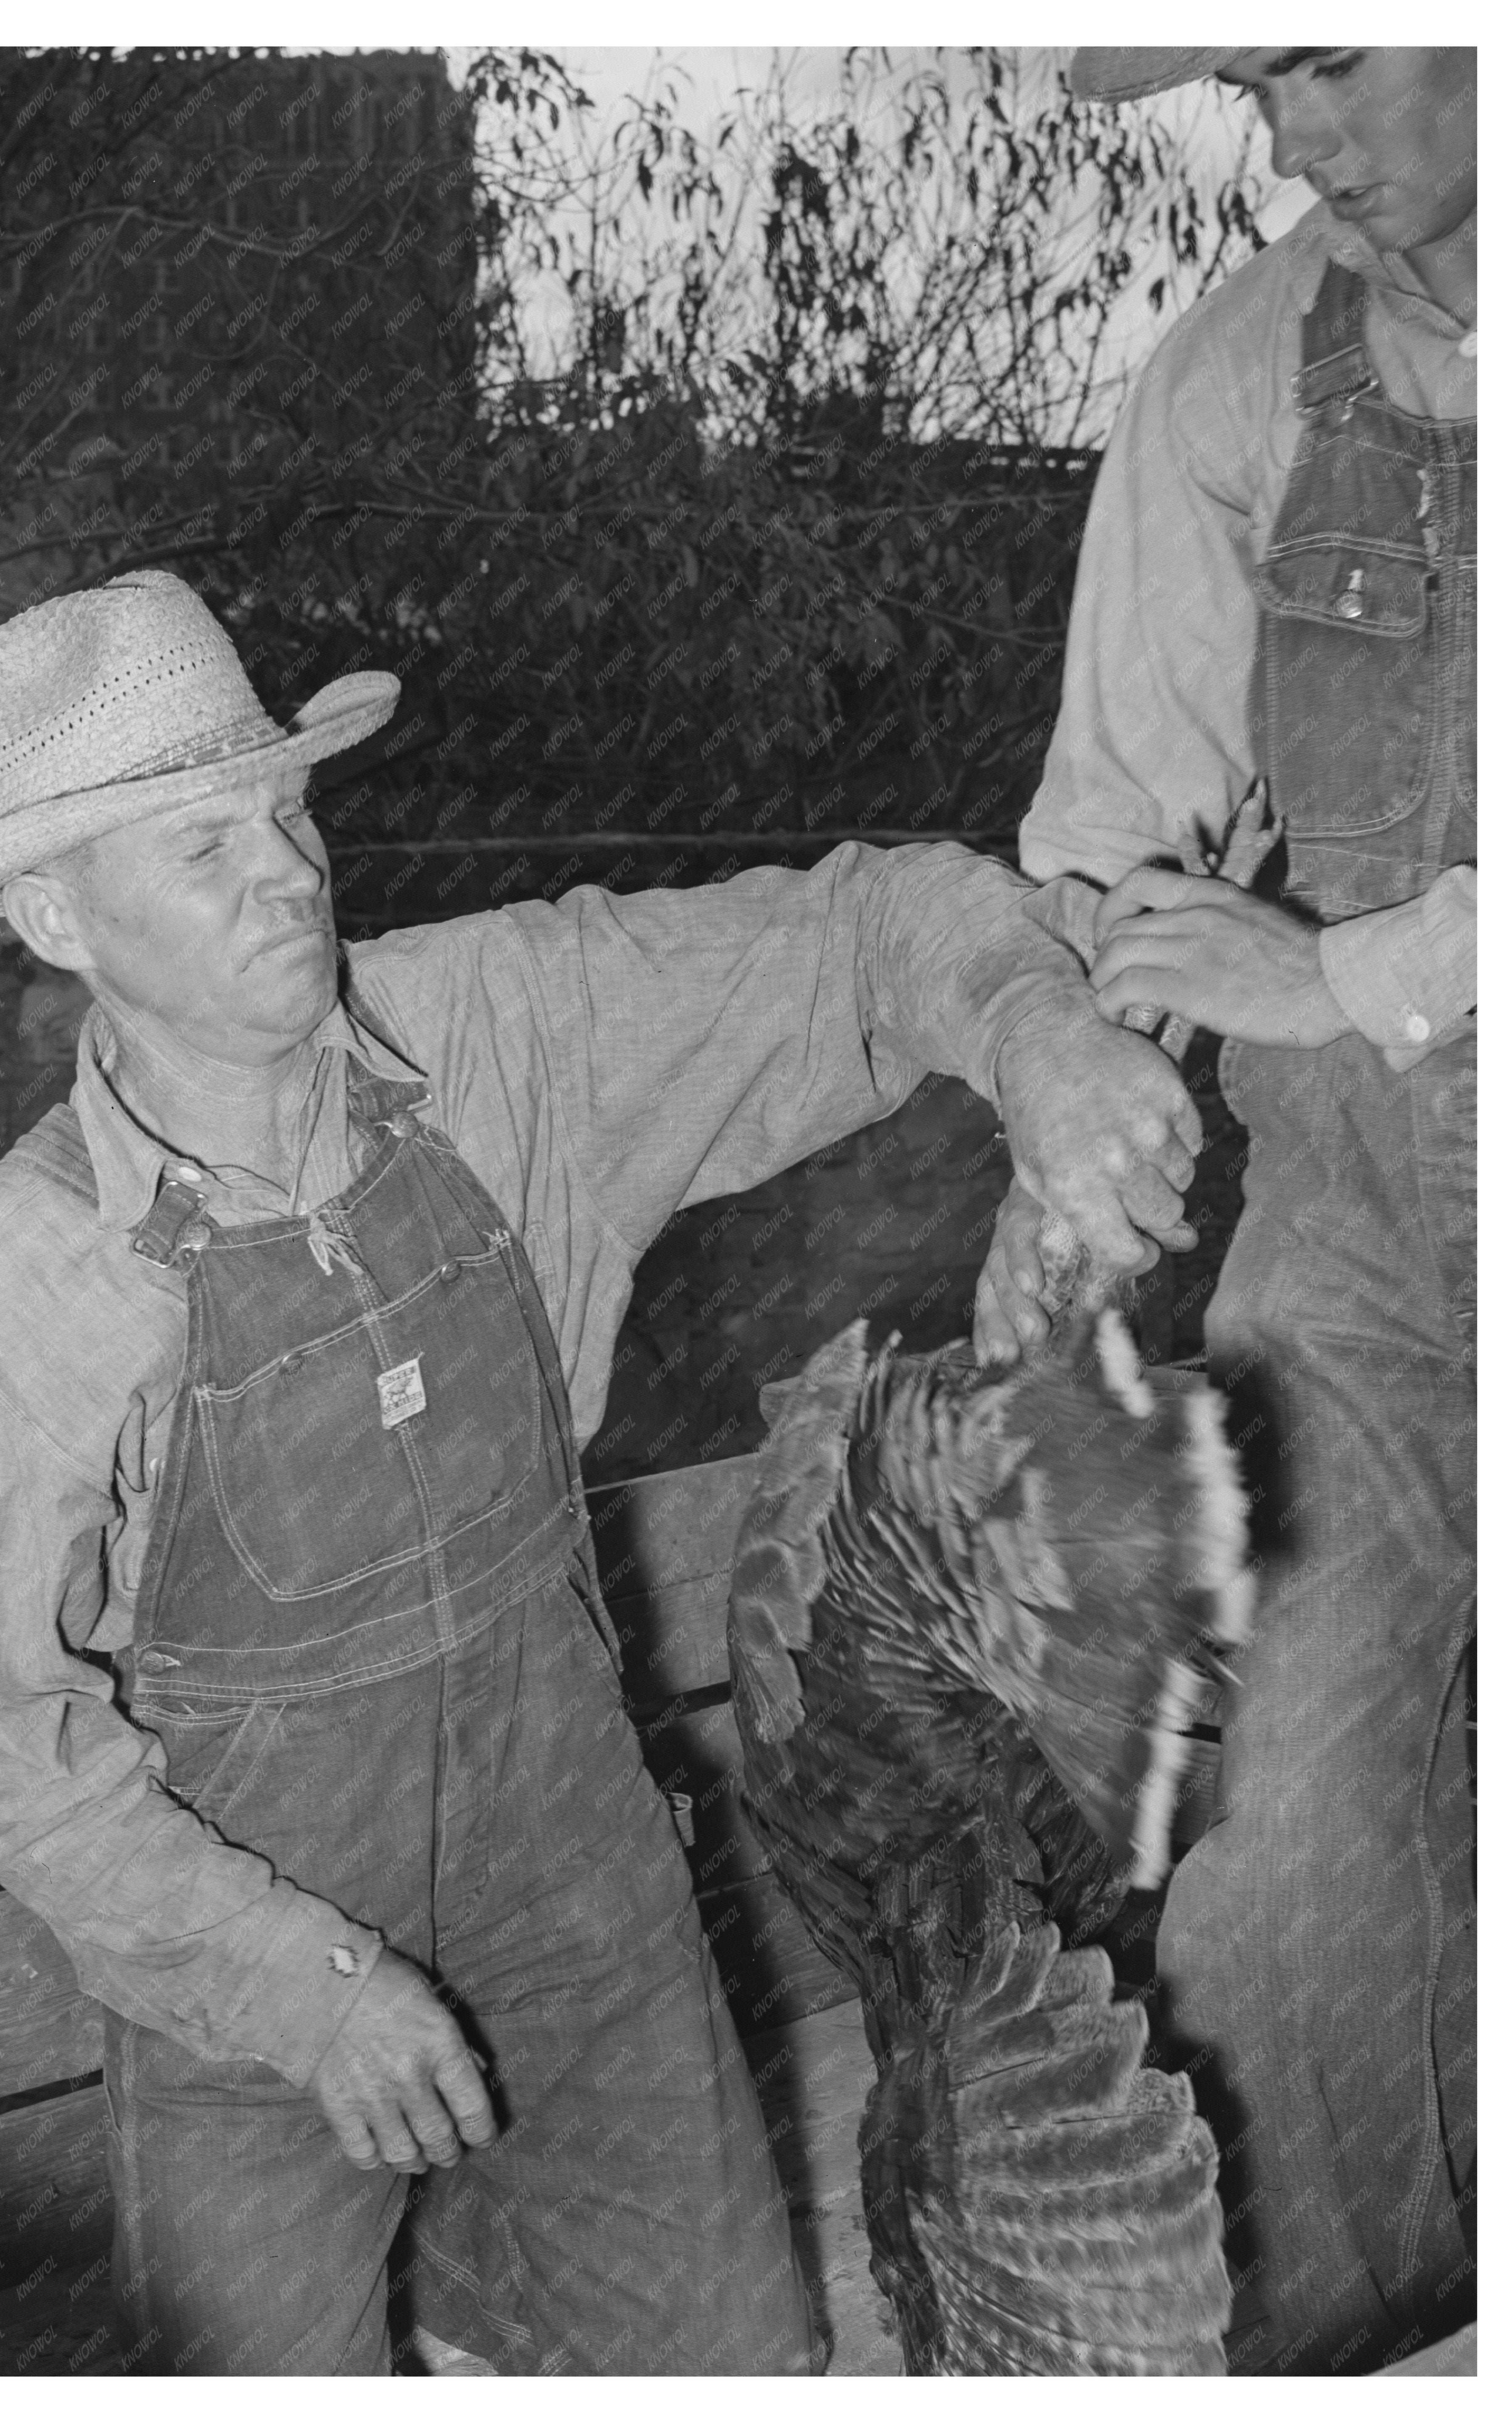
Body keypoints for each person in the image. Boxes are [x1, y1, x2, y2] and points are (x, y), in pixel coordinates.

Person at [0, 568, 1201, 2377]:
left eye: (285, 810)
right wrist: (305, 1989)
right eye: (200, 846)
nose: (286, 871)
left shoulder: (498, 1037)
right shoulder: (18, 1288)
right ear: (53, 916)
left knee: (733, 2373)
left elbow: (859, 932)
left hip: (578, 1898)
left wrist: (1039, 1041)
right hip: (248, 1987)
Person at [977, 46, 1475, 2376]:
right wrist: (1068, 1111)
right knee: (1276, 1859)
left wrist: (1346, 970)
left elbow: (1306, 960)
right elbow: (1114, 831)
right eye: (1255, 80)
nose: (1288, 135)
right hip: (1361, 1235)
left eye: (1329, 63)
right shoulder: (1231, 377)